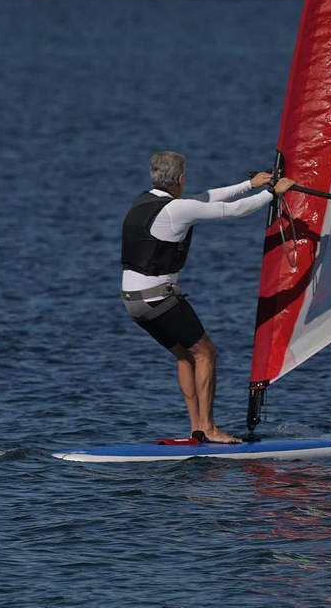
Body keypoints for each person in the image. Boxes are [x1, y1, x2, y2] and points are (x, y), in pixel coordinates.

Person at [121, 150, 293, 443]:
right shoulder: (177, 209)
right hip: (158, 299)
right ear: (181, 179)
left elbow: (204, 198)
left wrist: (248, 185)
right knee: (206, 352)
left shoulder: (144, 202)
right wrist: (272, 194)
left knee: (186, 355)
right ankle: (210, 428)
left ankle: (196, 429)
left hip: (133, 302)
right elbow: (230, 211)